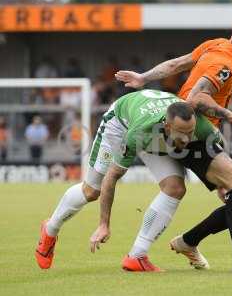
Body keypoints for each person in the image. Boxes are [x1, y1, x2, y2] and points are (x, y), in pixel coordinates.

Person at [116, 14, 232, 275]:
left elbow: (178, 63)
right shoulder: (225, 64)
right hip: (194, 135)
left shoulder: (215, 45)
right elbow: (196, 97)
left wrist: (144, 77)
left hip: (201, 133)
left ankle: (188, 242)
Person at [35, 90, 220, 272]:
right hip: (119, 124)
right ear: (168, 127)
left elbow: (222, 159)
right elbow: (112, 176)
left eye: (190, 132)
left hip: (151, 126)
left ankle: (137, 256)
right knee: (91, 191)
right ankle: (50, 229)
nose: (187, 139)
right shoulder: (139, 133)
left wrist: (223, 187)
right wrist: (103, 224)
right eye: (182, 133)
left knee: (175, 188)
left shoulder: (203, 127)